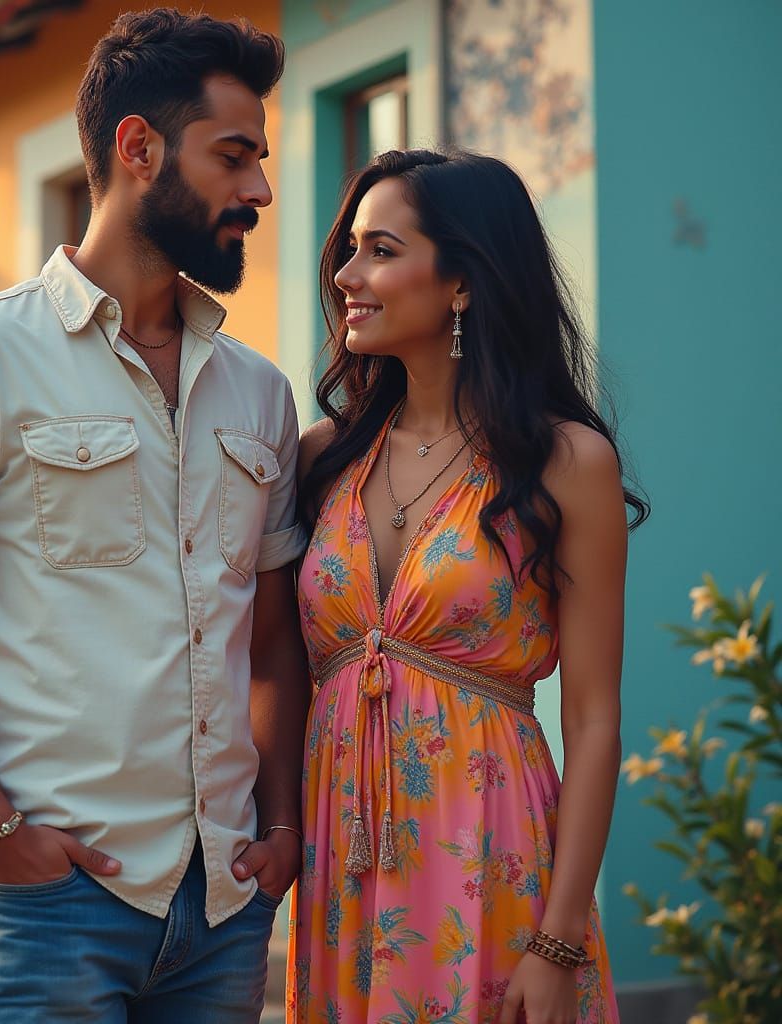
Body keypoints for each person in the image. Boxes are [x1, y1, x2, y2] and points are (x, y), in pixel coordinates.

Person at [0, 9, 308, 1022]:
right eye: (233, 156)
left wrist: (279, 825)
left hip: (227, 899)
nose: (260, 191)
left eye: (263, 161)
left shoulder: (260, 394)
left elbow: (273, 643)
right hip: (49, 902)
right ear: (138, 148)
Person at [288, 149, 648, 1024]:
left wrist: (557, 941)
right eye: (348, 249)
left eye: (379, 249)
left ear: (462, 282)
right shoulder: (321, 459)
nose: (346, 276)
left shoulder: (564, 463)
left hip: (491, 855)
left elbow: (596, 718)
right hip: (344, 868)